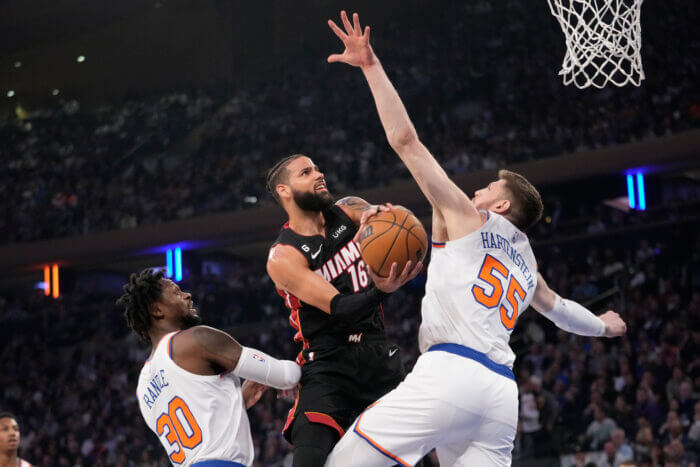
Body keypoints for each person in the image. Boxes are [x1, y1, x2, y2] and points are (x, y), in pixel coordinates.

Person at [324, 11, 627, 466]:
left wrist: (371, 66)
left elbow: (406, 141)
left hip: (450, 374)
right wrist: (605, 325)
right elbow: (562, 312)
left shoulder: (464, 216)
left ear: (502, 206)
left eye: (489, 189)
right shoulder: (528, 268)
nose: (477, 190)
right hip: (501, 396)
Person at [265, 154, 421, 467]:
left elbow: (378, 218)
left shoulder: (349, 209)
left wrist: (382, 218)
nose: (319, 174)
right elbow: (340, 308)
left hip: (376, 353)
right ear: (284, 190)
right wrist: (382, 290)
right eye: (306, 172)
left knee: (418, 454)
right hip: (328, 364)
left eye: (318, 168)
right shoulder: (283, 255)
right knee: (308, 459)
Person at [117, 268, 301, 467]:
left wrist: (237, 401)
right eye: (177, 293)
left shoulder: (142, 387)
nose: (187, 295)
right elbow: (286, 375)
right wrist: (304, 365)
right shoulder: (195, 339)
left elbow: (200, 428)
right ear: (157, 310)